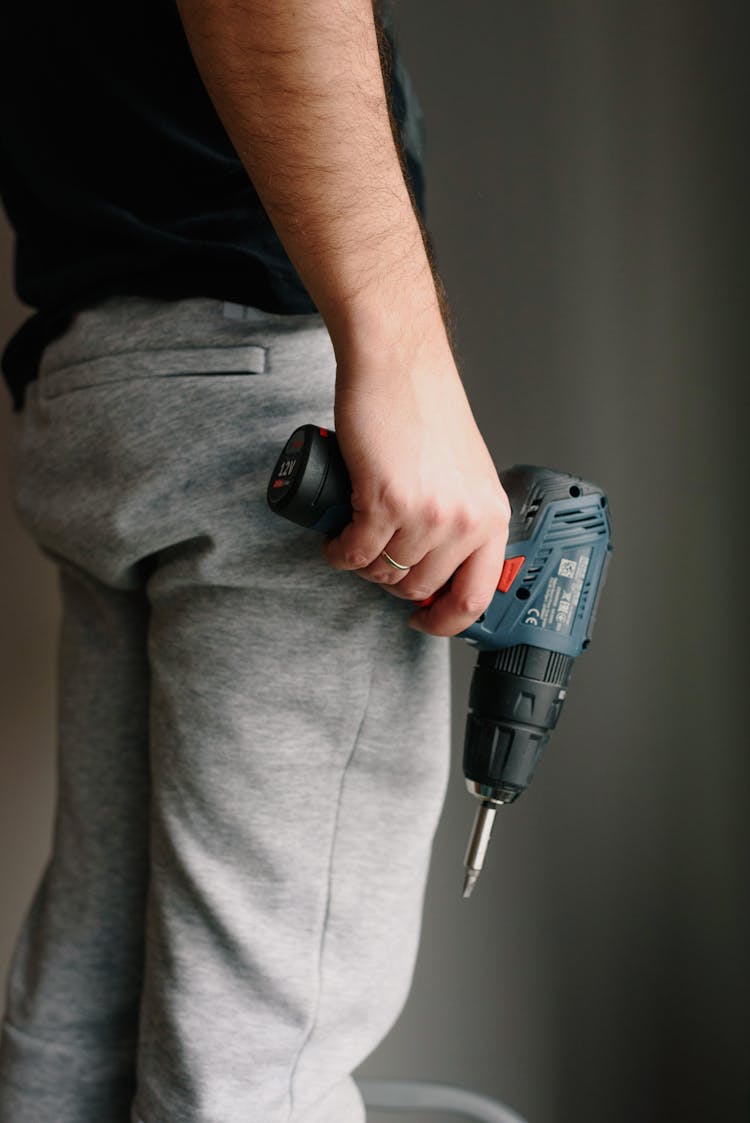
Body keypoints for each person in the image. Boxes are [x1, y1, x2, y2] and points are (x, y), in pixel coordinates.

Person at [0, 1, 510, 1120]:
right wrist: (403, 356)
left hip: (99, 375)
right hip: (262, 404)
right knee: (256, 1058)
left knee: (93, 991)